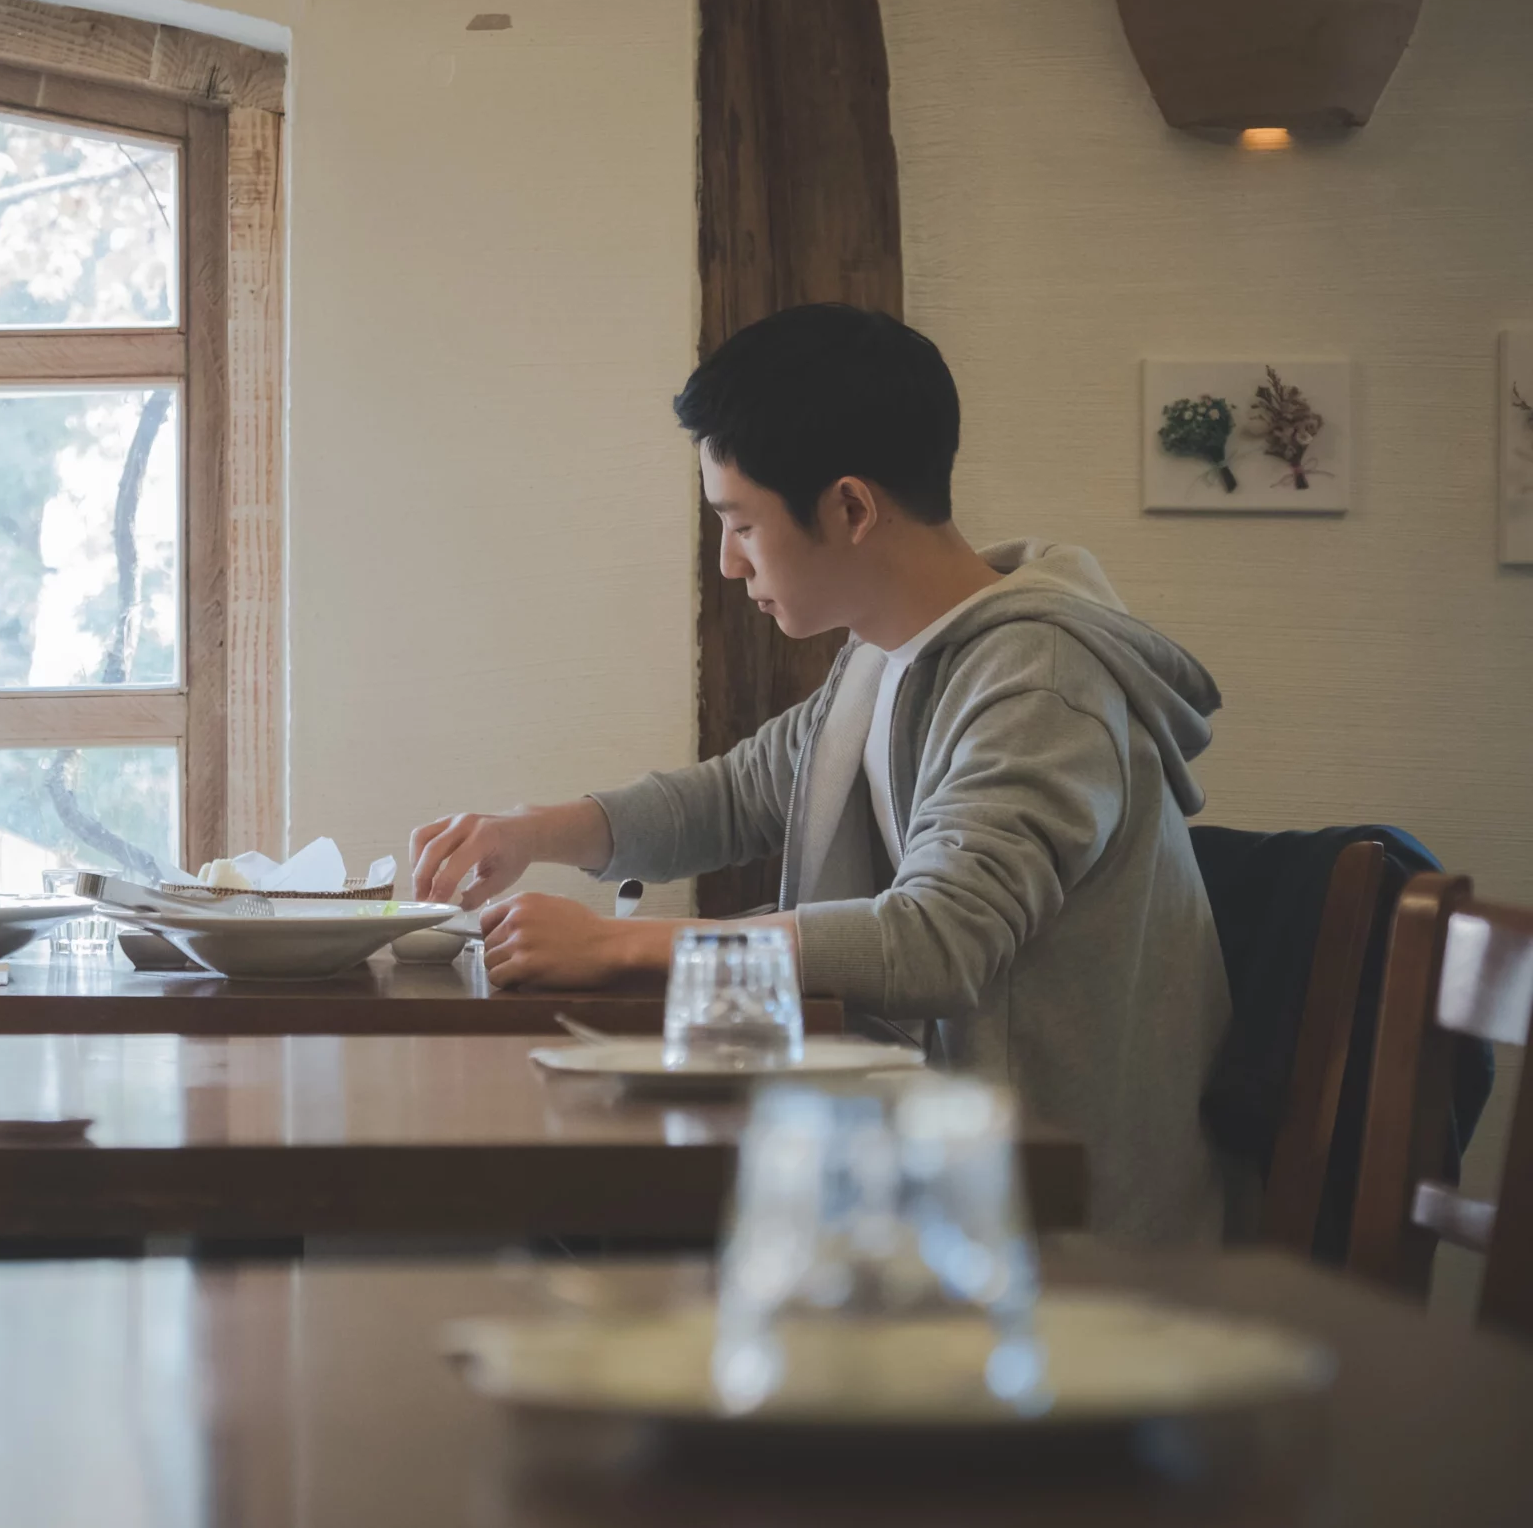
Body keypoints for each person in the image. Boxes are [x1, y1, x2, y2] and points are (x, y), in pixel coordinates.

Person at [411, 304, 1231, 1244]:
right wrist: (530, 830)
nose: (729, 563)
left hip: (1039, 1208)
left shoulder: (1039, 679)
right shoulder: (885, 654)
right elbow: (739, 793)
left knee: (566, 1210)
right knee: (566, 1195)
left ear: (850, 508)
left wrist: (615, 946)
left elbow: (935, 939)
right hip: (920, 1156)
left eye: (742, 525)